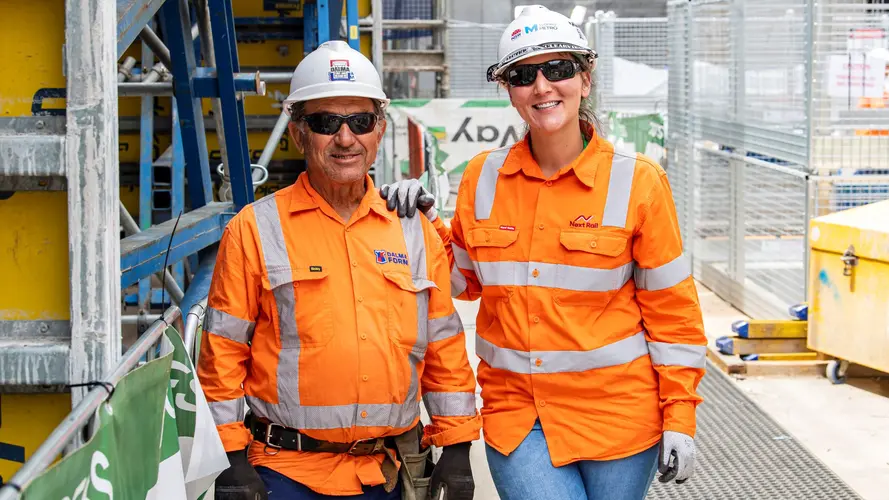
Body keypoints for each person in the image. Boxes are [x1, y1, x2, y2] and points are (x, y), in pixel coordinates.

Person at [380, 5, 707, 500]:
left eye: (558, 70)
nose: (542, 86)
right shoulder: (481, 178)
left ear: (585, 79)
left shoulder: (638, 181)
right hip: (519, 416)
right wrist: (420, 225)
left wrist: (681, 414)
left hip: (618, 417)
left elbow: (673, 313)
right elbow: (460, 283)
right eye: (523, 74)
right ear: (508, 91)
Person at [198, 40, 481, 500]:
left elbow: (445, 349)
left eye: (360, 121)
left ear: (379, 130)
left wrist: (457, 448)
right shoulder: (254, 229)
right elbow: (222, 354)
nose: (345, 138)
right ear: (298, 133)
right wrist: (230, 460)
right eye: (326, 123)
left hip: (389, 474)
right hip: (284, 475)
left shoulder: (413, 230)